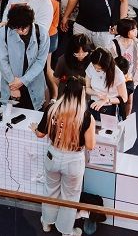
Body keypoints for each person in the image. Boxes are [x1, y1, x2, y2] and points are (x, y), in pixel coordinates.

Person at [35, 76, 96, 236]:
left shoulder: (52, 108)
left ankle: (46, 223)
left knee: (50, 190)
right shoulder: (86, 117)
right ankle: (66, 231)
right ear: (82, 94)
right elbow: (90, 146)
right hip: (73, 160)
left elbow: (40, 133)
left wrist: (35, 128)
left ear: (65, 91)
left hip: (53, 155)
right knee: (70, 198)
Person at [0, 3, 50, 109]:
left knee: (34, 114)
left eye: (25, 28)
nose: (21, 31)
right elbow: (2, 61)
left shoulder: (42, 33)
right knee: (8, 114)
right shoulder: (3, 32)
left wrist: (22, 81)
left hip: (33, 83)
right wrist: (13, 85)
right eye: (17, 29)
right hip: (11, 84)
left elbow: (40, 62)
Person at [112, 18, 138, 115]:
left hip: (130, 79)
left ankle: (126, 118)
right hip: (116, 79)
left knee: (129, 101)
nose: (136, 31)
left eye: (136, 28)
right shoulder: (113, 45)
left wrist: (135, 82)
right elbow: (110, 64)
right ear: (125, 31)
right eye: (133, 29)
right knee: (116, 100)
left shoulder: (137, 44)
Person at [85, 47, 128, 120]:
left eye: (100, 68)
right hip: (93, 104)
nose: (96, 70)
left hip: (109, 108)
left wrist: (107, 99)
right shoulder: (91, 66)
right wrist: (97, 93)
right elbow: (87, 89)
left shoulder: (117, 74)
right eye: (95, 67)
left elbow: (124, 98)